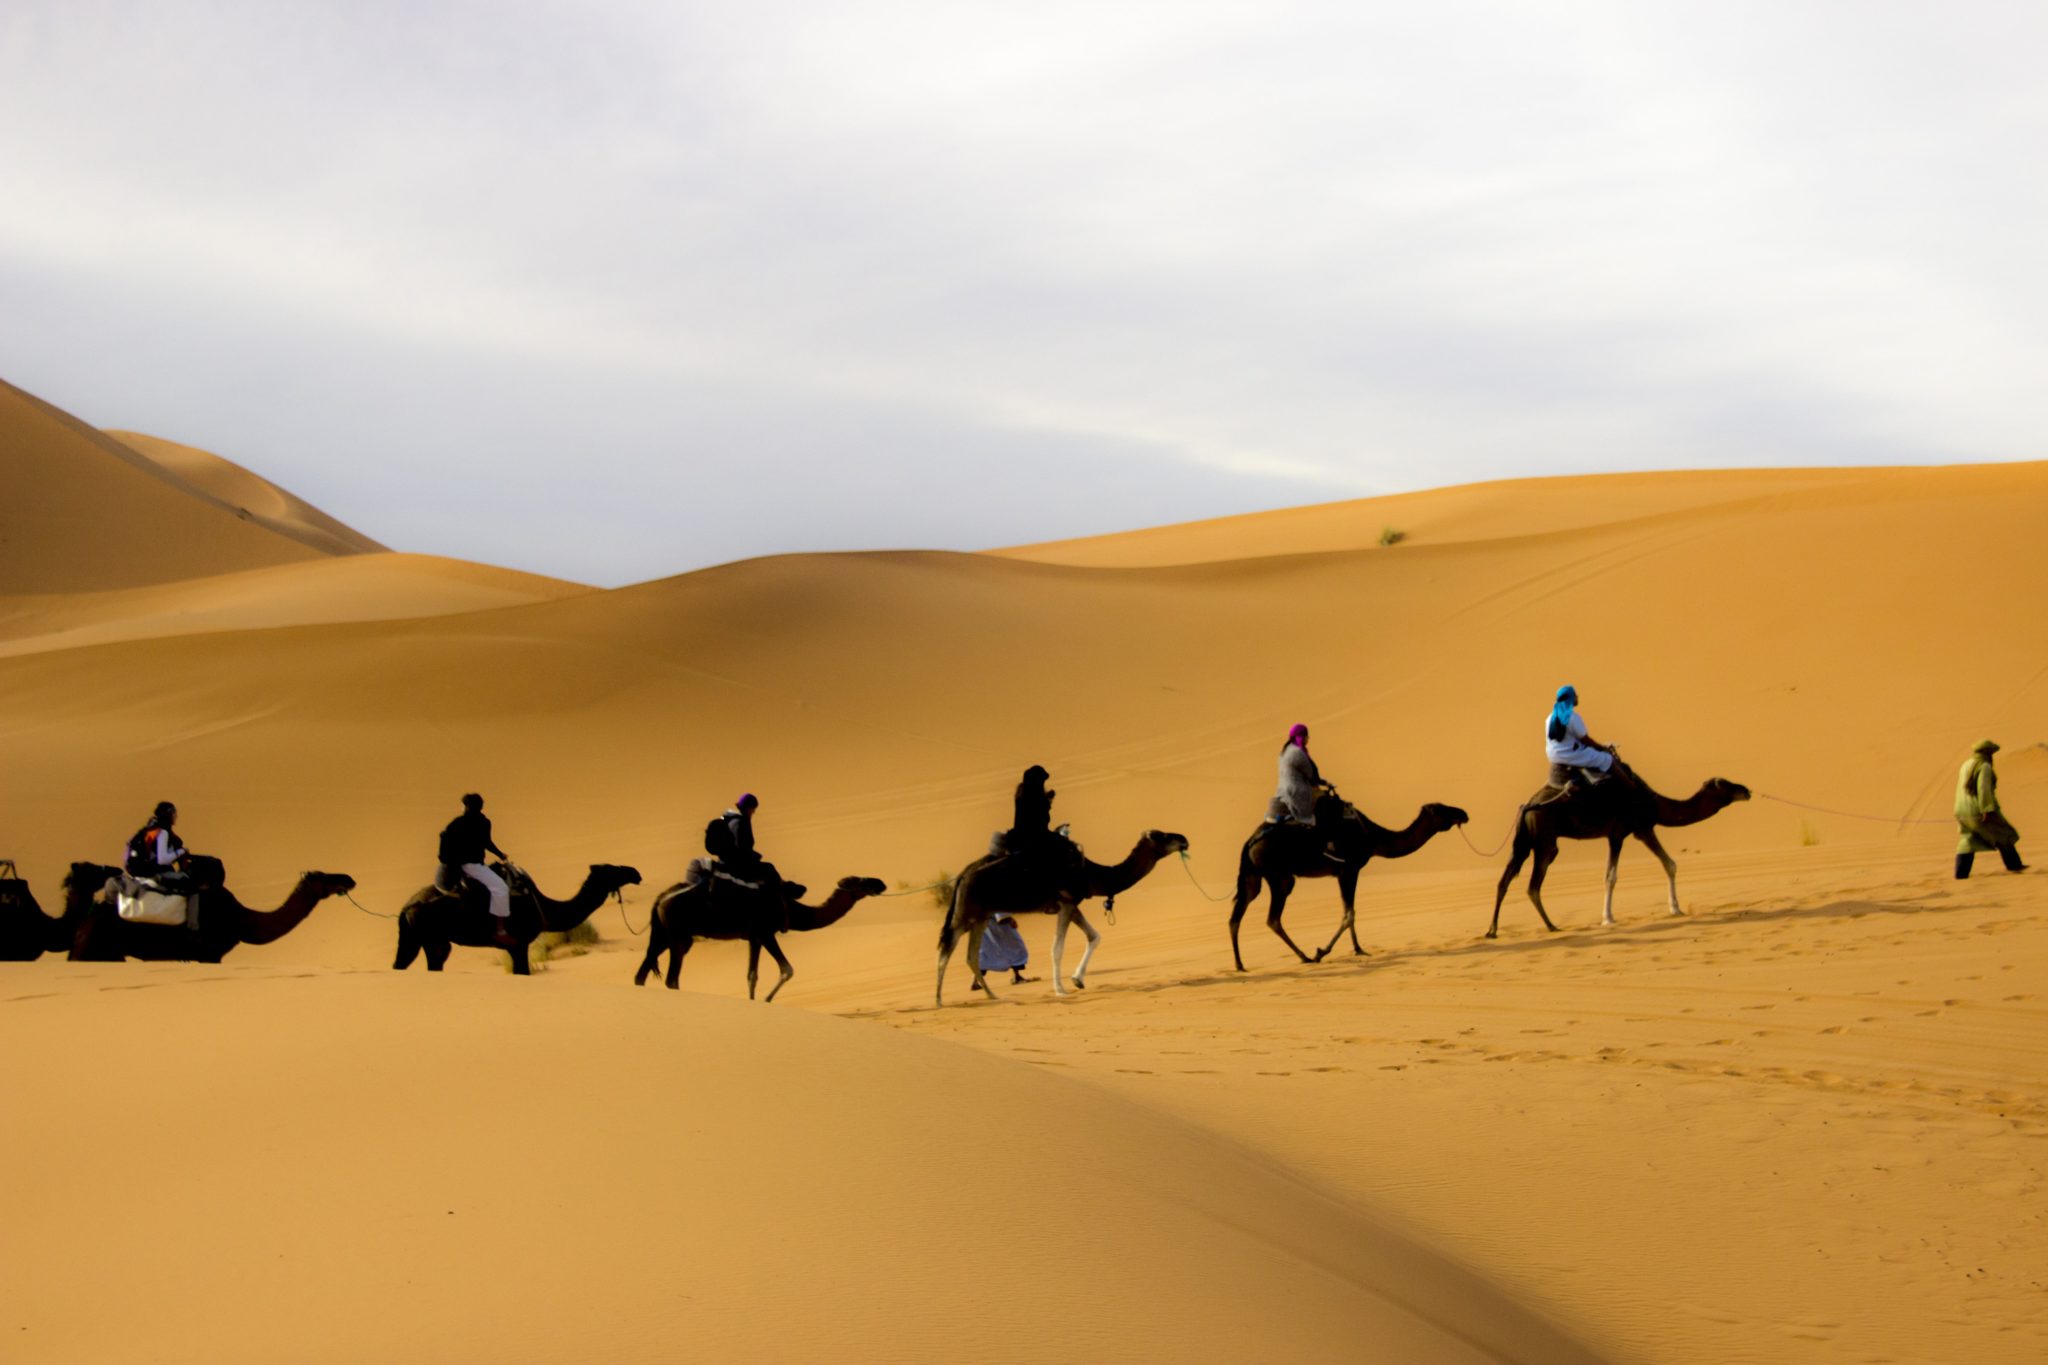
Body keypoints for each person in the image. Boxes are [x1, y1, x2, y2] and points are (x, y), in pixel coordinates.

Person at [439, 793, 515, 946]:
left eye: (462, 805)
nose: (461, 808)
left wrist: (499, 854)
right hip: (472, 866)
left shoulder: (458, 823)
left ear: (467, 807)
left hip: (459, 866)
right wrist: (500, 854)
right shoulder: (484, 822)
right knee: (501, 888)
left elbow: (445, 839)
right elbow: (486, 842)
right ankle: (500, 931)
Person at [1954, 740, 2025, 879]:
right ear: (1987, 754)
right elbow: (1983, 789)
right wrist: (1987, 809)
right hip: (1978, 810)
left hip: (1961, 810)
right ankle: (2014, 865)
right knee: (2004, 834)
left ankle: (1960, 873)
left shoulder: (1966, 764)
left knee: (1968, 838)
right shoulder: (1984, 766)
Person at [1545, 685, 1616, 785]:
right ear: (1571, 698)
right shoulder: (1573, 717)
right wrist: (1601, 748)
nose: (1577, 697)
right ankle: (1631, 787)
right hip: (1569, 755)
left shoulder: (1549, 718)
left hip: (1552, 755)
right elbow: (1585, 740)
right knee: (1608, 759)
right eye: (1575, 695)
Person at [124, 801, 192, 892]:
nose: (176, 816)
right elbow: (162, 860)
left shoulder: (149, 830)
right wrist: (181, 851)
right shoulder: (163, 832)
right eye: (174, 813)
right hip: (154, 873)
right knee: (190, 885)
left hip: (140, 872)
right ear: (169, 814)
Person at [1266, 724, 1322, 825]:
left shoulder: (1284, 751)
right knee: (1323, 804)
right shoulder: (1298, 753)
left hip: (1282, 791)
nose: (1307, 739)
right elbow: (1311, 774)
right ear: (1302, 737)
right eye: (1306, 736)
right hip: (1296, 792)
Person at [706, 793, 765, 878]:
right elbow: (739, 847)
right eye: (753, 809)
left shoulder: (731, 819)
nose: (753, 812)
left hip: (727, 861)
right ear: (748, 808)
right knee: (769, 870)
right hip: (736, 864)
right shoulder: (739, 822)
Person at [971, 911, 1034, 990]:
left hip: (979, 920)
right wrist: (1008, 918)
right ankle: (1017, 976)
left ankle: (975, 981)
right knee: (1014, 946)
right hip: (995, 921)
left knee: (985, 951)